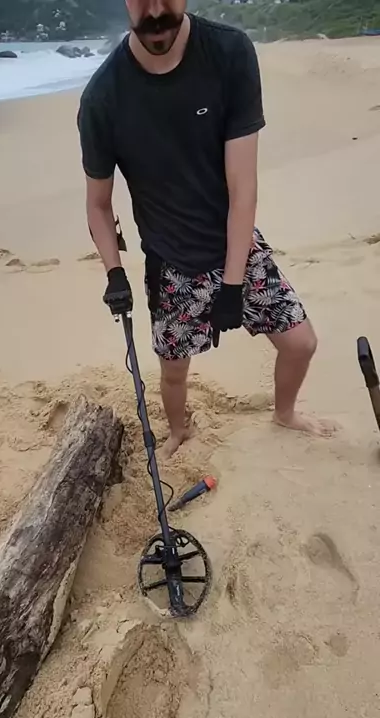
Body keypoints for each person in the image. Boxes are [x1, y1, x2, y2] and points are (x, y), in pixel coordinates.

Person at [77, 0, 335, 458]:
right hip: (171, 264)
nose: (156, 10)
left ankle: (285, 413)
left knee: (301, 343)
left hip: (237, 245)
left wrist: (233, 284)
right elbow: (98, 205)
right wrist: (115, 273)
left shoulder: (228, 53)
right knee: (174, 371)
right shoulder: (103, 97)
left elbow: (243, 188)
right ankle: (179, 431)